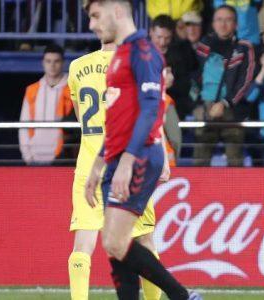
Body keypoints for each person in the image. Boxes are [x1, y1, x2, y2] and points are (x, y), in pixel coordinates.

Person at [82, 1, 199, 299]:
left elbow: (150, 111)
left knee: (114, 242)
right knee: (116, 247)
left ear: (117, 11)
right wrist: (98, 164)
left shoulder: (144, 53)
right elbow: (118, 117)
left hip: (138, 155)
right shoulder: (121, 54)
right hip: (118, 156)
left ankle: (182, 296)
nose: (92, 25)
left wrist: (126, 161)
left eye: (96, 16)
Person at [67, 38, 166, 300]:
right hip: (128, 164)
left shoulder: (78, 67)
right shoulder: (137, 64)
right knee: (143, 240)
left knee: (82, 246)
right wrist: (163, 157)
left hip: (89, 165)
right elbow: (151, 113)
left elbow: (81, 118)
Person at [192, 5, 255, 166]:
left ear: (236, 24)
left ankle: (237, 192)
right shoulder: (203, 45)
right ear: (213, 23)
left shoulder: (244, 47)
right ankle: (198, 192)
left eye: (228, 20)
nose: (223, 24)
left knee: (235, 160)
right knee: (200, 160)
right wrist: (196, 104)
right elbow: (193, 76)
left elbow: (246, 80)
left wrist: (225, 103)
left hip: (231, 109)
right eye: (219, 20)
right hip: (205, 108)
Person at [19, 44, 72, 165]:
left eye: (56, 61)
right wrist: (27, 154)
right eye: (48, 61)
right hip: (34, 156)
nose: (52, 65)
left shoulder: (73, 89)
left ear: (63, 62)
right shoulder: (32, 90)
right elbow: (23, 124)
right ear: (43, 62)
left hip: (63, 156)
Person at [150, 14, 199, 119]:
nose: (162, 42)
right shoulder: (141, 54)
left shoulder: (180, 55)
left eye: (167, 38)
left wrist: (172, 84)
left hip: (173, 106)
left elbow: (186, 86)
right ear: (151, 32)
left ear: (172, 35)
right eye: (159, 37)